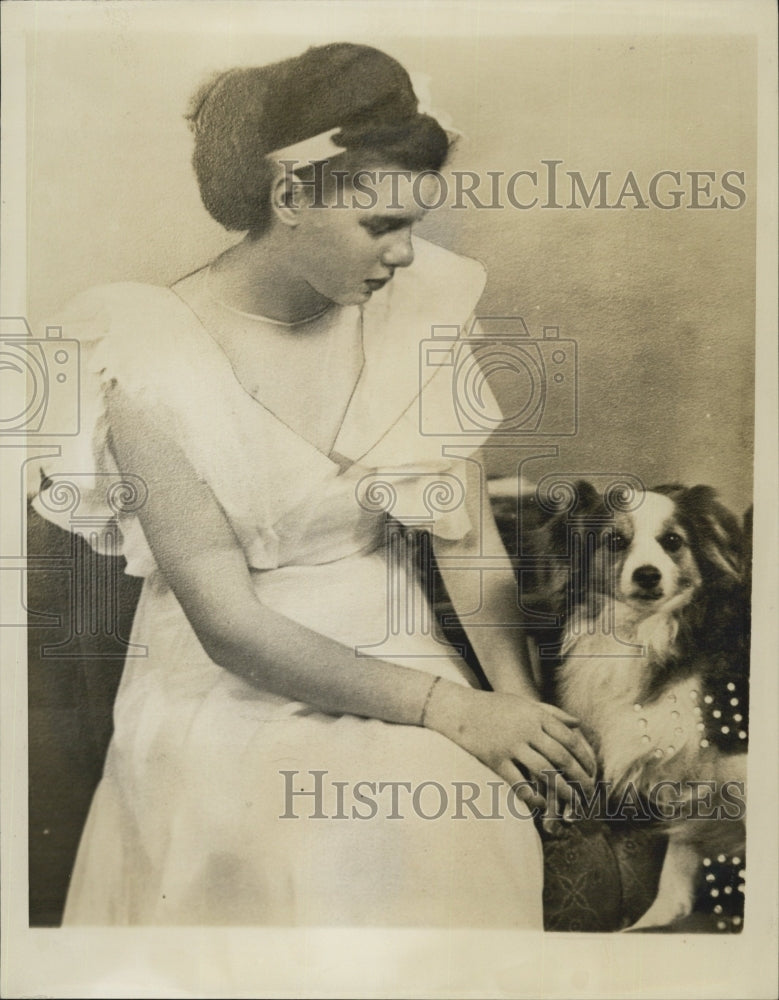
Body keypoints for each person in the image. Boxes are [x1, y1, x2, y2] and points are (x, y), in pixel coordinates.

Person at [33, 42, 596, 925]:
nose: (407, 255)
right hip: (226, 679)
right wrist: (451, 710)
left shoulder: (418, 316)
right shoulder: (144, 355)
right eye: (382, 227)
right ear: (290, 197)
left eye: (415, 225)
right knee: (304, 839)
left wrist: (517, 715)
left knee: (449, 814)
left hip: (391, 636)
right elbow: (230, 625)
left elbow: (467, 543)